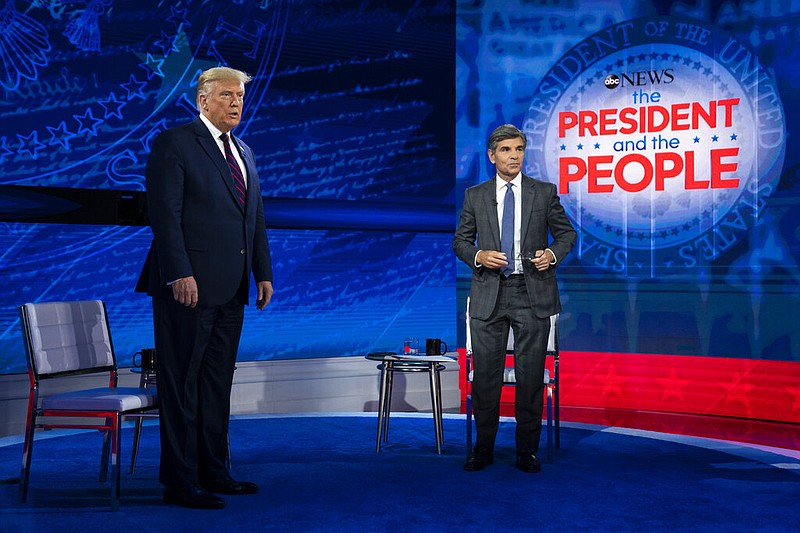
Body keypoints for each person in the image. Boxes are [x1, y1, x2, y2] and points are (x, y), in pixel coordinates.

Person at [136, 67, 274, 509]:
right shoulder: (176, 143)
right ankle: (180, 481)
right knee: (182, 384)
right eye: (227, 95)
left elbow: (253, 219)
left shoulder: (246, 152)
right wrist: (179, 272)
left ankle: (214, 471)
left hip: (231, 289)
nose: (236, 102)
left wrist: (263, 272)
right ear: (203, 100)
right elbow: (165, 214)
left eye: (240, 96)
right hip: (187, 287)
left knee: (216, 384)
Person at [453, 124, 576, 473]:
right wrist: (478, 256)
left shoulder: (544, 192)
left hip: (531, 291)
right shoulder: (475, 195)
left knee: (530, 376)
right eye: (506, 150)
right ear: (493, 156)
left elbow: (566, 235)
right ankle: (483, 448)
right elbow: (460, 241)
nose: (514, 156)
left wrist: (551, 254)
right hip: (489, 292)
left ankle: (527, 451)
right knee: (487, 377)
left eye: (519, 149)